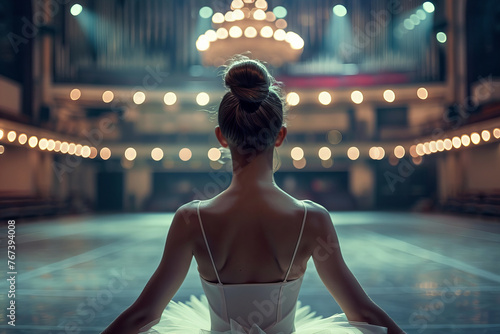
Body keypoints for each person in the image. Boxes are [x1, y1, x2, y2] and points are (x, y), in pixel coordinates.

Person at [101, 56, 405, 334]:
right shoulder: (312, 219)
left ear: (221, 137)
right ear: (280, 136)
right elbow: (363, 312)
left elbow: (143, 315)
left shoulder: (190, 219)